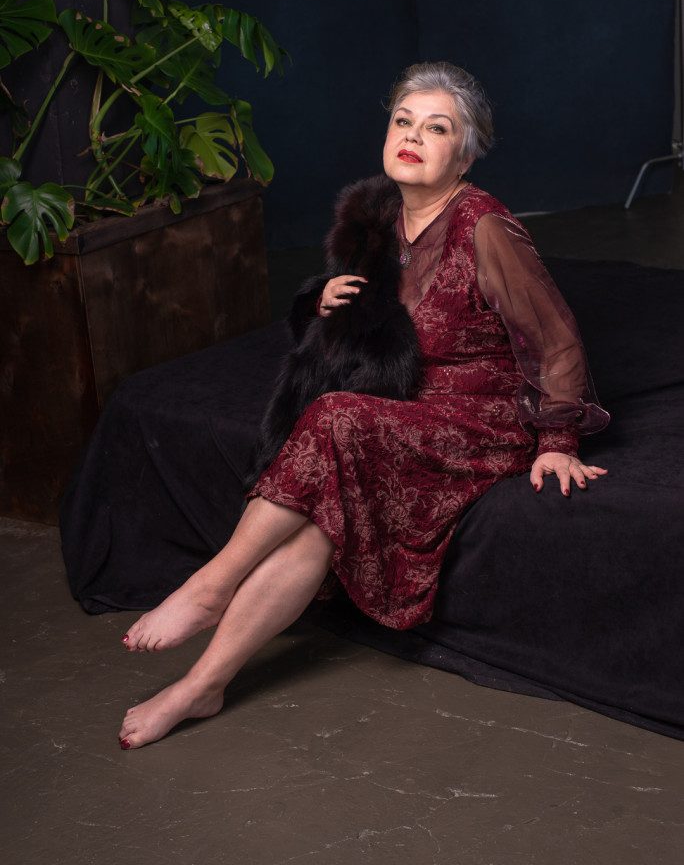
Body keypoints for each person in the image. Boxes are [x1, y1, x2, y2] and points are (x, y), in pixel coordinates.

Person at [117, 61, 610, 750]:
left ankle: (211, 585)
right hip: (403, 405)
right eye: (403, 121)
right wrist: (324, 301)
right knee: (321, 523)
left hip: (478, 417)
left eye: (436, 128)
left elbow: (557, 339)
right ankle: (203, 686)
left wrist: (557, 439)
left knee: (335, 415)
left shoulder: (486, 227)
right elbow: (365, 328)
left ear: (465, 155)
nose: (413, 136)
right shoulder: (377, 217)